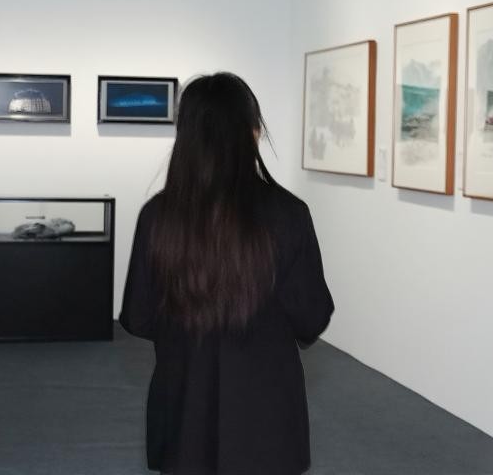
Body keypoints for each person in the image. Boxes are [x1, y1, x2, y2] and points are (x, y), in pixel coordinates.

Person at [121, 73, 335, 475]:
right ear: (253, 132)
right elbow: (312, 316)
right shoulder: (289, 214)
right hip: (266, 411)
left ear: (185, 136)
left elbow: (137, 316)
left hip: (184, 402)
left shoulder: (157, 216)